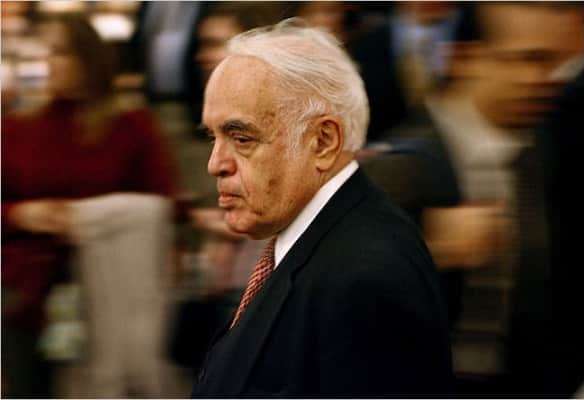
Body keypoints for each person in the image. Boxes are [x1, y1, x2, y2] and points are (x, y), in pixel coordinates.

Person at [190, 19, 454, 397]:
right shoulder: (316, 238)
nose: (215, 163)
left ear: (323, 141)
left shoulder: (364, 280)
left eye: (241, 138)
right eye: (213, 137)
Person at [1, 14, 176, 397]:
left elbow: (164, 204)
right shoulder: (18, 128)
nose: (49, 62)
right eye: (45, 52)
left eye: (60, 52)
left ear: (89, 58)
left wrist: (91, 218)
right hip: (28, 293)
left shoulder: (131, 125)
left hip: (113, 293)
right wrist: (21, 215)